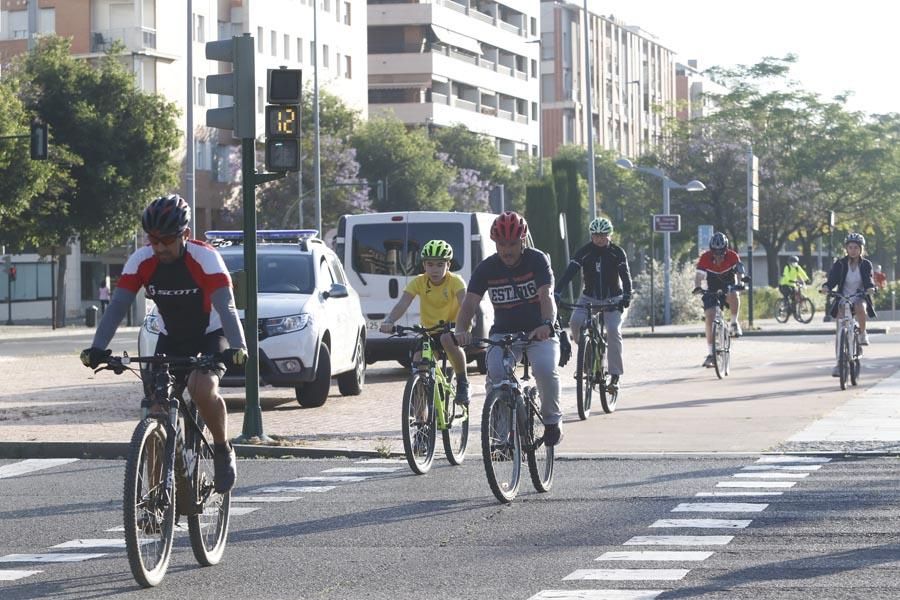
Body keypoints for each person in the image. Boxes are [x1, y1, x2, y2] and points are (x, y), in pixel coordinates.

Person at [80, 194, 247, 494]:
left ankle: (222, 449)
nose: (159, 248)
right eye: (154, 240)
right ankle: (158, 492)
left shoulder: (206, 258)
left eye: (167, 241)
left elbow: (227, 308)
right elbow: (117, 307)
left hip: (211, 332)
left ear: (184, 235)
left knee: (201, 387)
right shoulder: (141, 261)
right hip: (172, 336)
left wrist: (238, 345)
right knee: (157, 406)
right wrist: (98, 348)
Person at [447, 211, 564, 446]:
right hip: (503, 334)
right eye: (502, 244)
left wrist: (546, 324)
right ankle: (501, 437)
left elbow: (546, 295)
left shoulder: (537, 260)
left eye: (512, 244)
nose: (507, 250)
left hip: (538, 330)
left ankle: (552, 422)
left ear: (522, 241)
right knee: (496, 376)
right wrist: (461, 329)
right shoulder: (487, 268)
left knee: (544, 369)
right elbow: (469, 303)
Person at [379, 240, 470, 406]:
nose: (434, 269)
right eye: (430, 264)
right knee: (419, 363)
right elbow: (403, 303)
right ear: (424, 265)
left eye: (440, 264)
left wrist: (464, 328)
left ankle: (463, 382)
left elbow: (466, 305)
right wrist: (389, 320)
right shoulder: (419, 281)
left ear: (448, 265)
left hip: (453, 330)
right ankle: (421, 415)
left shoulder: (456, 281)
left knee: (446, 339)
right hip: (429, 331)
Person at [554, 216, 632, 392]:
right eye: (596, 235)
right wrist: (557, 292)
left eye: (603, 235)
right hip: (589, 298)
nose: (599, 238)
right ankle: (587, 356)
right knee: (574, 323)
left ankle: (615, 376)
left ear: (609, 235)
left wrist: (627, 296)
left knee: (613, 330)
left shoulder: (617, 252)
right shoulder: (585, 251)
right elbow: (569, 273)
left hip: (613, 299)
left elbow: (626, 277)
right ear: (591, 236)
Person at [820, 232, 877, 376]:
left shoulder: (866, 264)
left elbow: (869, 280)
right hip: (842, 297)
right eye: (850, 247)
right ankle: (839, 364)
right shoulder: (839, 263)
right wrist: (826, 287)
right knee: (840, 330)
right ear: (846, 248)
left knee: (860, 307)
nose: (853, 250)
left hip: (859, 295)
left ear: (861, 249)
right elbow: (832, 279)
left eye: (856, 247)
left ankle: (863, 333)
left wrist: (870, 288)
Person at [694, 232, 747, 368]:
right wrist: (698, 287)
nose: (718, 255)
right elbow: (699, 276)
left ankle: (734, 323)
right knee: (709, 317)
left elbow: (740, 271)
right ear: (711, 250)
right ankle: (711, 354)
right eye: (715, 253)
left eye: (721, 252)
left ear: (726, 249)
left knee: (733, 293)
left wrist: (741, 282)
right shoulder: (705, 257)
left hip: (728, 284)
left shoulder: (732, 256)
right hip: (711, 286)